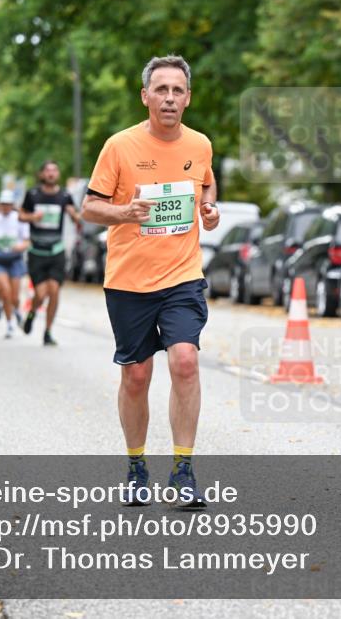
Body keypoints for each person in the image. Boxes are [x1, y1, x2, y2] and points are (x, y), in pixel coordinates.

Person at [81, 54, 220, 508]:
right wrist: (123, 212)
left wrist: (210, 210)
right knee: (137, 375)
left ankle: (183, 470)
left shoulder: (200, 145)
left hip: (182, 276)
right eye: (160, 89)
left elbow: (206, 186)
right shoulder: (119, 146)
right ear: (145, 97)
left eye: (177, 90)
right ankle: (136, 464)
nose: (169, 98)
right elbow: (89, 207)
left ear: (188, 98)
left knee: (185, 361)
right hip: (129, 280)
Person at [19, 160, 82, 346]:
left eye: (54, 170)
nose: (51, 173)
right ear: (42, 175)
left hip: (56, 250)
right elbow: (20, 215)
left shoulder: (64, 195)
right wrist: (32, 217)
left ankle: (47, 331)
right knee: (41, 293)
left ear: (58, 174)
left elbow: (78, 218)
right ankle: (31, 313)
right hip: (37, 251)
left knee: (54, 291)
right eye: (47, 170)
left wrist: (73, 215)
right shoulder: (33, 194)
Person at [0, 189, 29, 338]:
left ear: (12, 205)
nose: (5, 207)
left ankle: (16, 310)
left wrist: (20, 247)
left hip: (15, 260)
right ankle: (9, 324)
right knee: (5, 291)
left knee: (14, 296)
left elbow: (27, 241)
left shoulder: (19, 218)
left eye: (8, 204)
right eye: (3, 204)